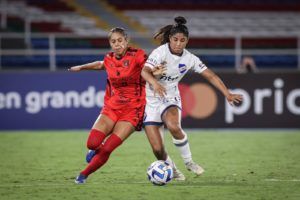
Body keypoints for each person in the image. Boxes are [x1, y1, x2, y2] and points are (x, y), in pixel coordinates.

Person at [141, 16, 243, 181]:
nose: (178, 43)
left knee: (174, 127)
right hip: (151, 100)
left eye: (182, 40)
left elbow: (210, 75)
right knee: (158, 149)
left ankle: (189, 162)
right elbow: (144, 71)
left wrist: (227, 93)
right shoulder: (160, 52)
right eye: (175, 39)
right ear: (169, 38)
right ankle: (173, 171)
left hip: (170, 97)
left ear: (187, 41)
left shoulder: (190, 58)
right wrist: (155, 82)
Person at [69, 27, 148, 184]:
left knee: (107, 148)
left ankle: (83, 175)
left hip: (133, 110)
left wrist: (156, 72)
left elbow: (147, 67)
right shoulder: (109, 58)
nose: (117, 44)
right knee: (92, 143)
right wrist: (81, 67)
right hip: (112, 107)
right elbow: (100, 64)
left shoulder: (138, 55)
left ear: (126, 41)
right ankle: (95, 150)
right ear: (110, 44)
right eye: (113, 41)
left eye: (120, 40)